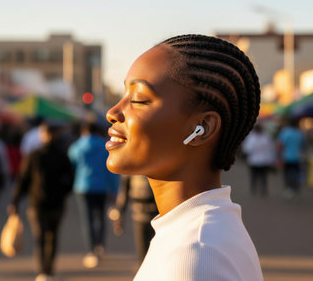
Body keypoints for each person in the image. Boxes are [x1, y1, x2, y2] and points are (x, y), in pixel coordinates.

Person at [105, 34, 263, 280]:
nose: (112, 112)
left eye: (138, 99)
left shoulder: (194, 257)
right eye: (124, 94)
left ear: (202, 128)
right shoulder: (199, 232)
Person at [9, 123, 74, 281]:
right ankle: (44, 270)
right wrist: (15, 201)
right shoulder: (37, 155)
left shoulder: (57, 154)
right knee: (43, 236)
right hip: (41, 203)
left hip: (48, 203)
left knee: (49, 236)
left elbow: (70, 177)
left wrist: (15, 201)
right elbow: (23, 179)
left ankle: (46, 270)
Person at [67, 122, 119, 268]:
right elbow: (111, 170)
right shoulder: (104, 146)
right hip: (101, 187)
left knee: (87, 219)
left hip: (82, 187)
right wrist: (114, 190)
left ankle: (91, 251)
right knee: (100, 217)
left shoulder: (76, 147)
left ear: (84, 131)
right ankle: (100, 245)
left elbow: (72, 165)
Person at [110, 174, 158, 263]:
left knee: (157, 253)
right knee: (142, 253)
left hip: (158, 218)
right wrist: (119, 215)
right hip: (138, 216)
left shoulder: (157, 166)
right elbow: (123, 193)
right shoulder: (131, 170)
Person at [241, 123, 276, 196]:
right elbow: (270, 149)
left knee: (260, 177)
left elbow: (247, 150)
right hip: (257, 161)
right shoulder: (264, 137)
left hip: (260, 161)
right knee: (258, 177)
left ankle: (259, 190)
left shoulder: (255, 138)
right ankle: (258, 190)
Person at [277, 118, 305, 199]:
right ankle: (295, 189)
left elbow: (280, 145)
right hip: (297, 157)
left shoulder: (285, 132)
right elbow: (302, 145)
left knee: (287, 174)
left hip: (287, 157)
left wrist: (279, 157)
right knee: (296, 174)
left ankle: (289, 189)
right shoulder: (299, 133)